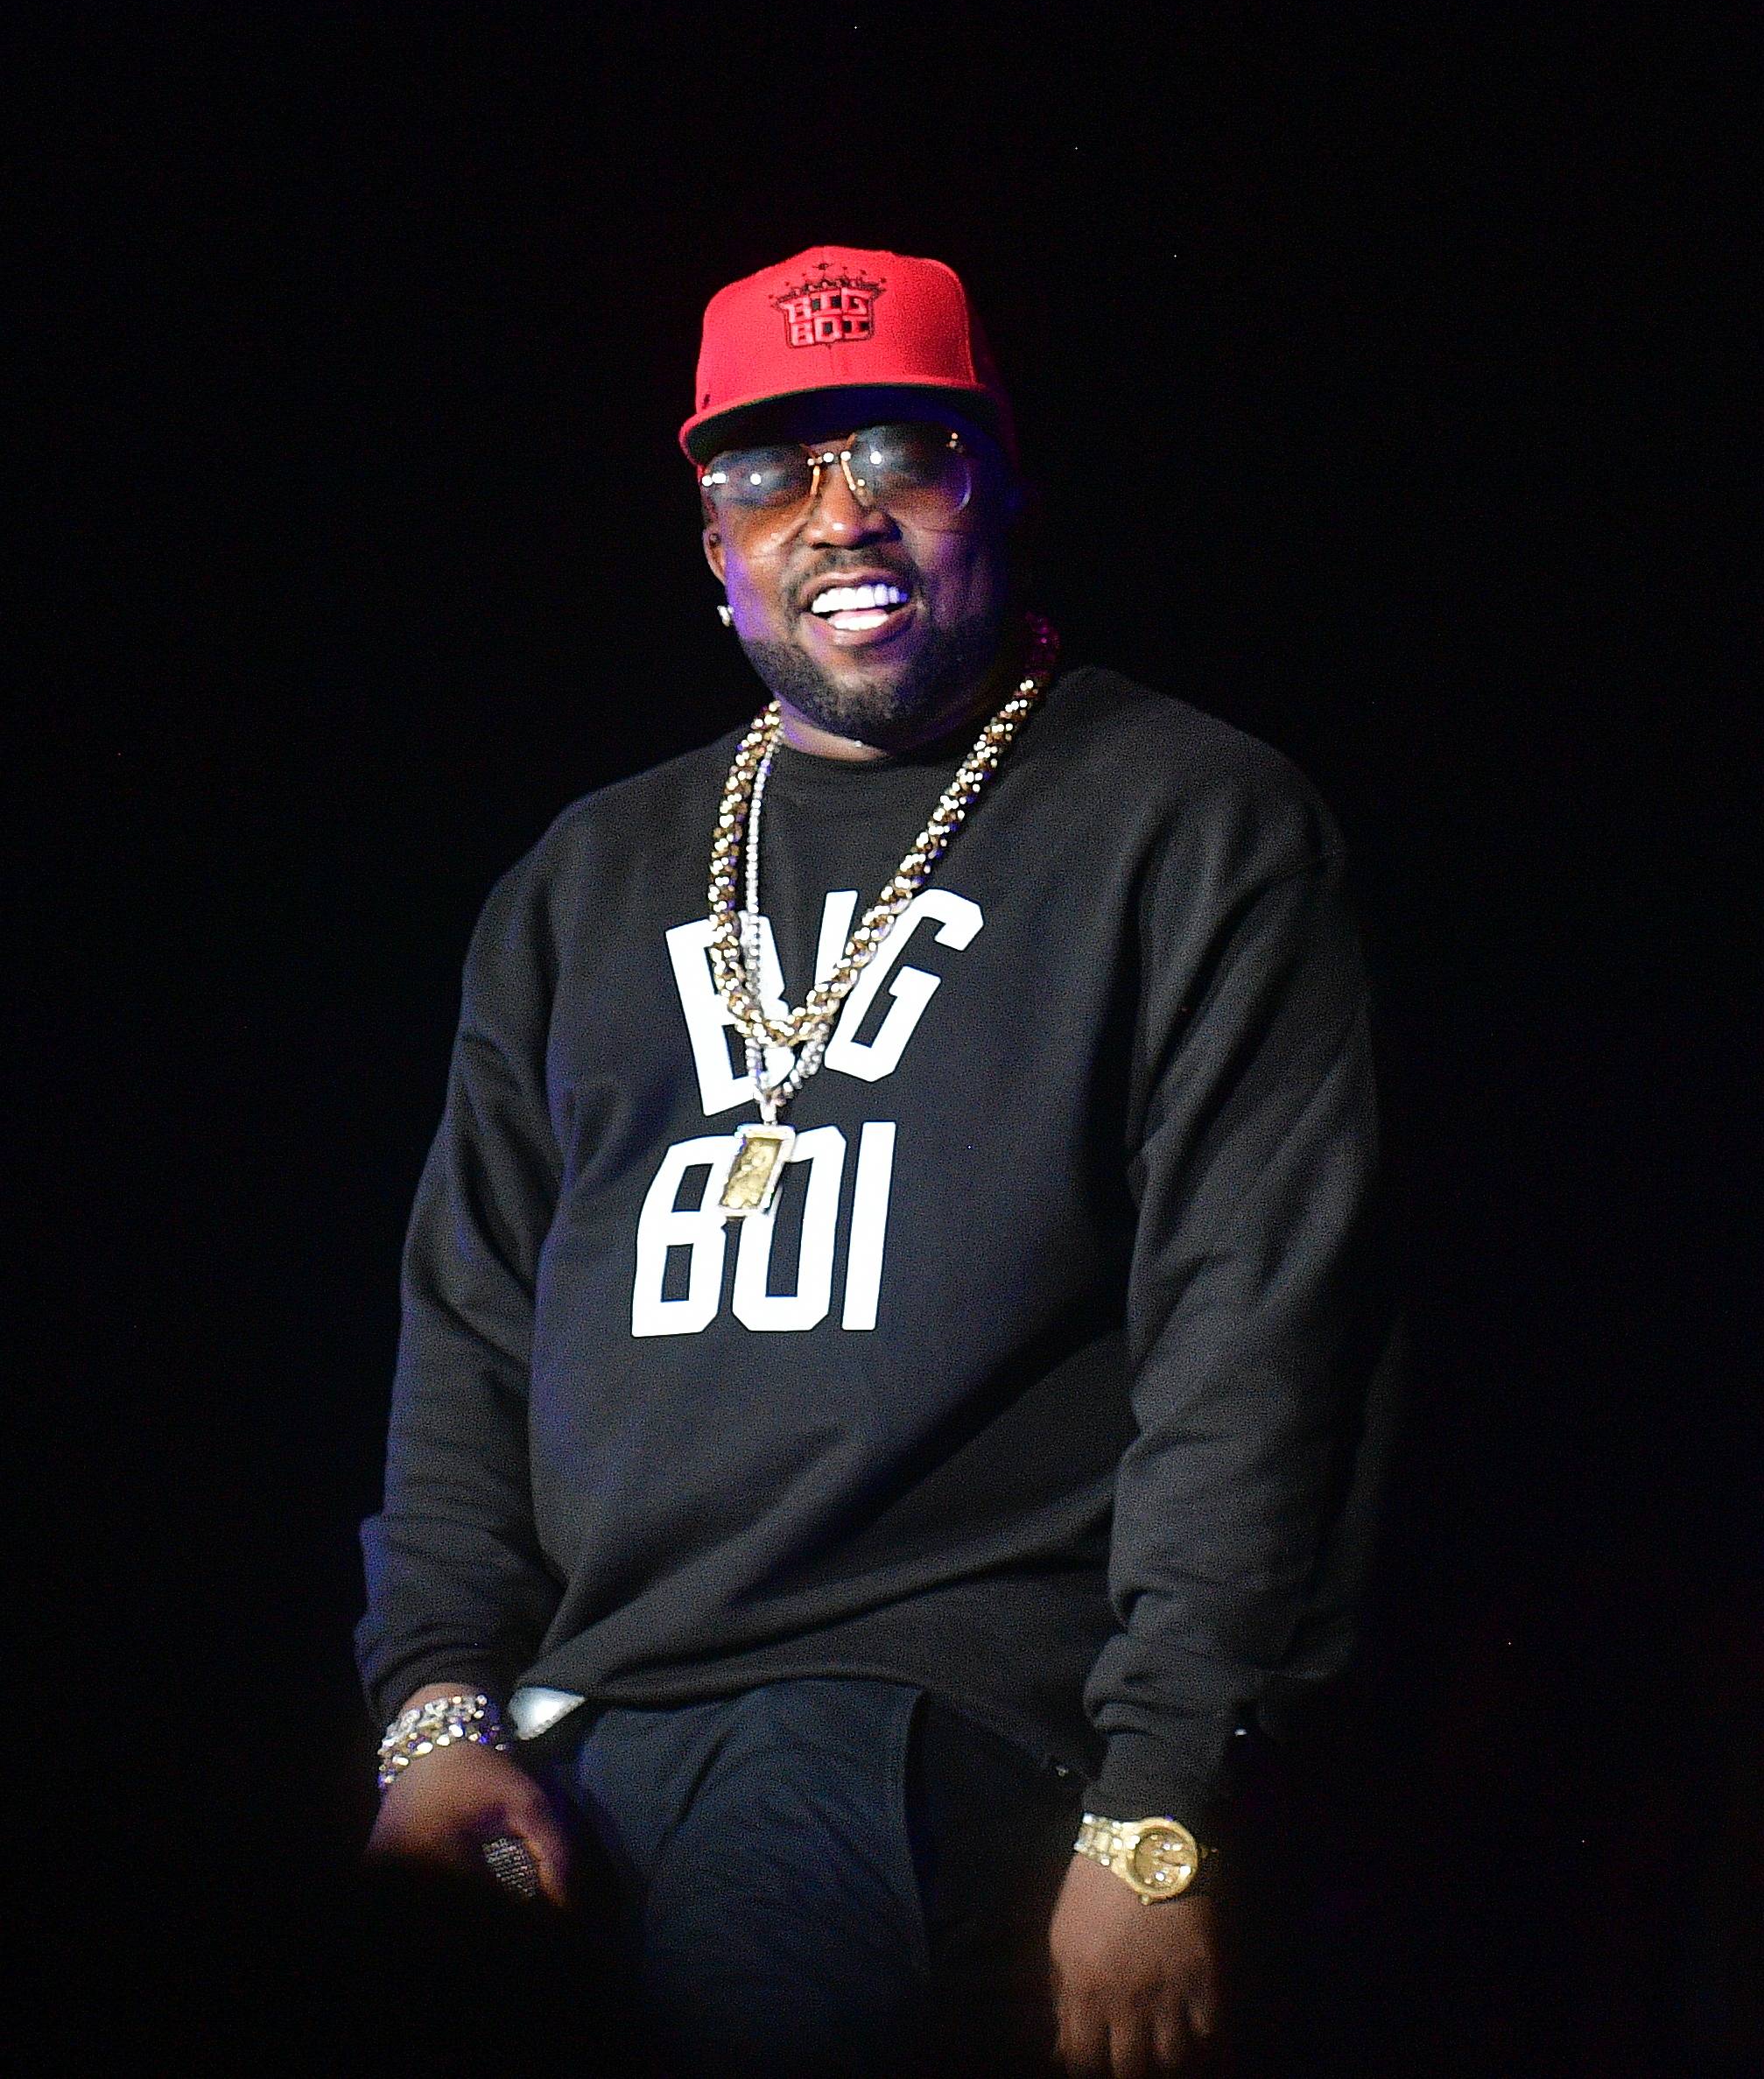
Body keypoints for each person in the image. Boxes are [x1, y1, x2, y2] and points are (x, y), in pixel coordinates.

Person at [356, 245, 1387, 2075]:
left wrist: (1159, 1801)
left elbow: (1264, 1341)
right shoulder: (583, 876)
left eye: (897, 454)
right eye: (766, 472)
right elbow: (468, 1336)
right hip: (575, 1727)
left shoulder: (1182, 815)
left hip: (918, 1710)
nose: (837, 516)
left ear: (993, 482)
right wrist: (433, 1719)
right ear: (708, 540)